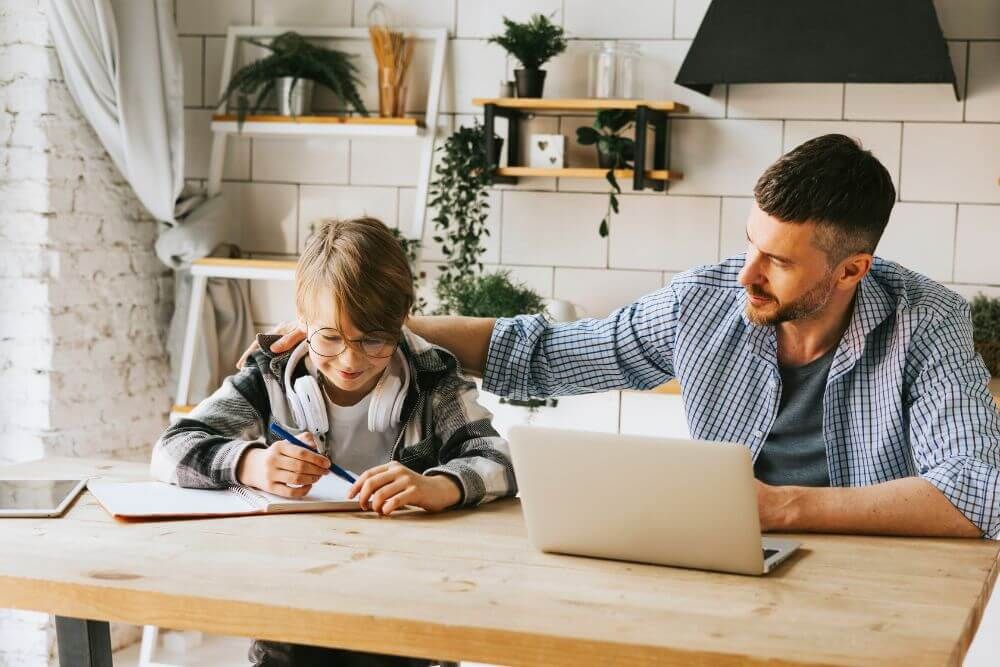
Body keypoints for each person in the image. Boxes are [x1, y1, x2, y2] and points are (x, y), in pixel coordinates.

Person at [258, 135, 1000, 540]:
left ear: (851, 270)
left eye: (776, 260)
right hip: (740, 568)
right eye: (749, 242)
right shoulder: (703, 302)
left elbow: (976, 492)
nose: (746, 273)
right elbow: (543, 352)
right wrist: (366, 326)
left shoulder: (925, 322)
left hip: (877, 589)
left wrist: (779, 506)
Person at [152, 217, 516, 667]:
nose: (350, 359)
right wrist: (251, 463)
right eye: (329, 337)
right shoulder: (268, 378)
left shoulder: (434, 377)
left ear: (401, 323)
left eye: (373, 340)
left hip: (411, 610)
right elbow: (171, 448)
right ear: (302, 321)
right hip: (292, 609)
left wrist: (441, 486)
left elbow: (497, 459)